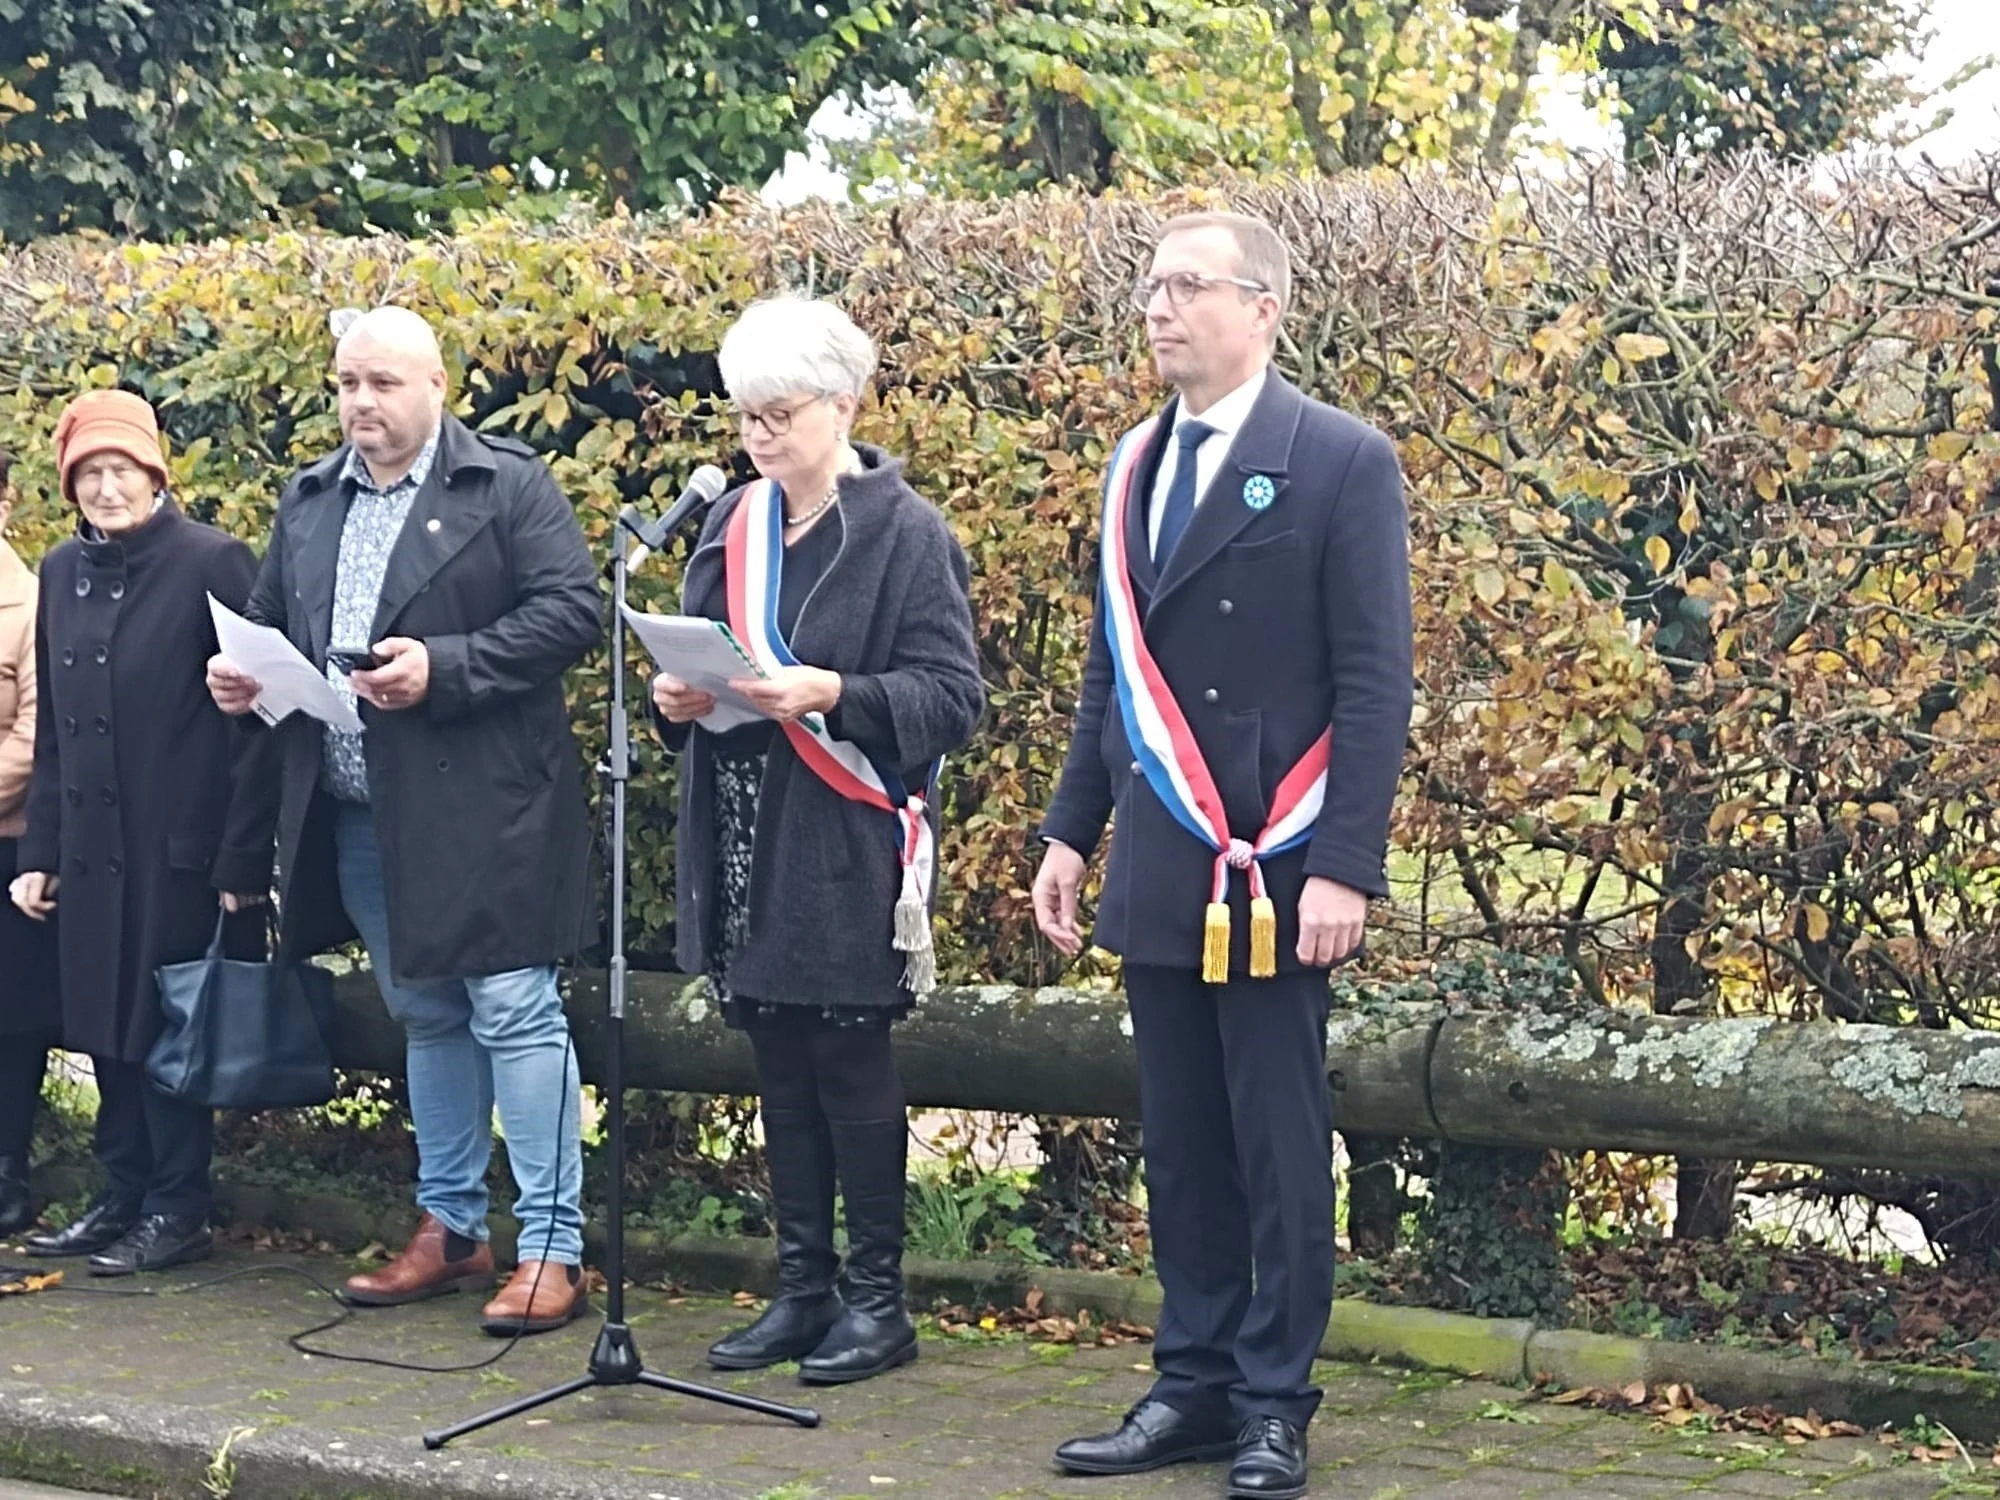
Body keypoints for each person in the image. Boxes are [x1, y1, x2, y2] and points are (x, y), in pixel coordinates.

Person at [1033, 213, 1414, 1500]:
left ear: (1262, 308)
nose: (1158, 306)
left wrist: (1345, 866)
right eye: (1149, 286)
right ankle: (1189, 1380)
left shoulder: (1338, 459)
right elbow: (1112, 671)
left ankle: (1271, 1401)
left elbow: (1373, 685)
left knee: (1273, 1141)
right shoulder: (1133, 463)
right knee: (1183, 1141)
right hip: (1162, 854)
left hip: (1275, 857)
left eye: (1186, 286)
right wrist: (1066, 831)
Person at [206, 306, 600, 1335]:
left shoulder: (506, 485)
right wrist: (244, 678)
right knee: (427, 1013)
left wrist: (446, 668)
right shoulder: (309, 499)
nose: (361, 404)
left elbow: (571, 613)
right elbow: (271, 627)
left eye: (383, 383)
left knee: (515, 1009)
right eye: (346, 383)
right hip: (358, 812)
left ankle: (554, 1245)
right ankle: (453, 1226)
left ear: (437, 387)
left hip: (489, 807)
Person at [650, 295, 983, 1385]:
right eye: (745, 413)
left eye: (779, 411)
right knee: (775, 1062)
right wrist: (678, 698)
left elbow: (951, 697)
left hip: (841, 831)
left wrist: (834, 689)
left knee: (844, 1056)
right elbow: (703, 655)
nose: (757, 433)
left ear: (841, 407)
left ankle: (877, 1303)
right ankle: (800, 1291)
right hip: (745, 824)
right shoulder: (731, 524)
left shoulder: (905, 533)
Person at [10, 392, 280, 1275]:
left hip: (180, 846)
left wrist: (243, 855)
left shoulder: (214, 562)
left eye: (121, 467)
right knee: (100, 1025)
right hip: (89, 850)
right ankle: (121, 1192)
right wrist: (40, 853)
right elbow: (55, 729)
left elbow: (261, 717)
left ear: (157, 473)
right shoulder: (58, 572)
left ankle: (177, 1204)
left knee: (169, 1030)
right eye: (89, 472)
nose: (106, 486)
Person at [0, 447, 61, 1238]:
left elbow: (36, 735)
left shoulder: (30, 604)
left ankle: (5, 1170)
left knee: (9, 1017)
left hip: (8, 841)